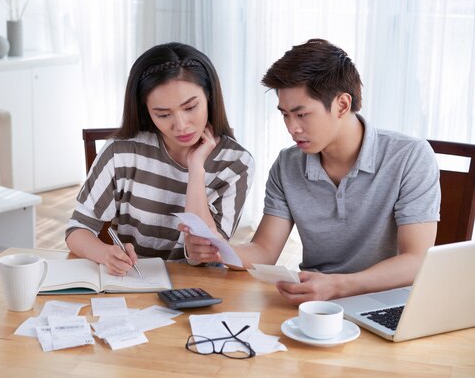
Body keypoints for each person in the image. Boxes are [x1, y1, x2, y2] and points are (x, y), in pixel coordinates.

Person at [182, 39, 440, 304]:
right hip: (316, 304)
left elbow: (416, 260)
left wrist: (340, 285)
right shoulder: (288, 165)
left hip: (387, 302)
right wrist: (219, 250)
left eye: (301, 114)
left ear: (342, 105)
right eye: (285, 115)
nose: (292, 127)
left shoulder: (410, 156)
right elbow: (264, 251)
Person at [66, 42, 255, 276]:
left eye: (190, 107)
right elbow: (77, 229)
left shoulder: (236, 162)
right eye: (163, 114)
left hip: (197, 286)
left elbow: (204, 255)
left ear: (209, 96)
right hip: (134, 279)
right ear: (146, 111)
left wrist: (196, 170)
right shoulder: (122, 151)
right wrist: (105, 254)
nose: (181, 125)